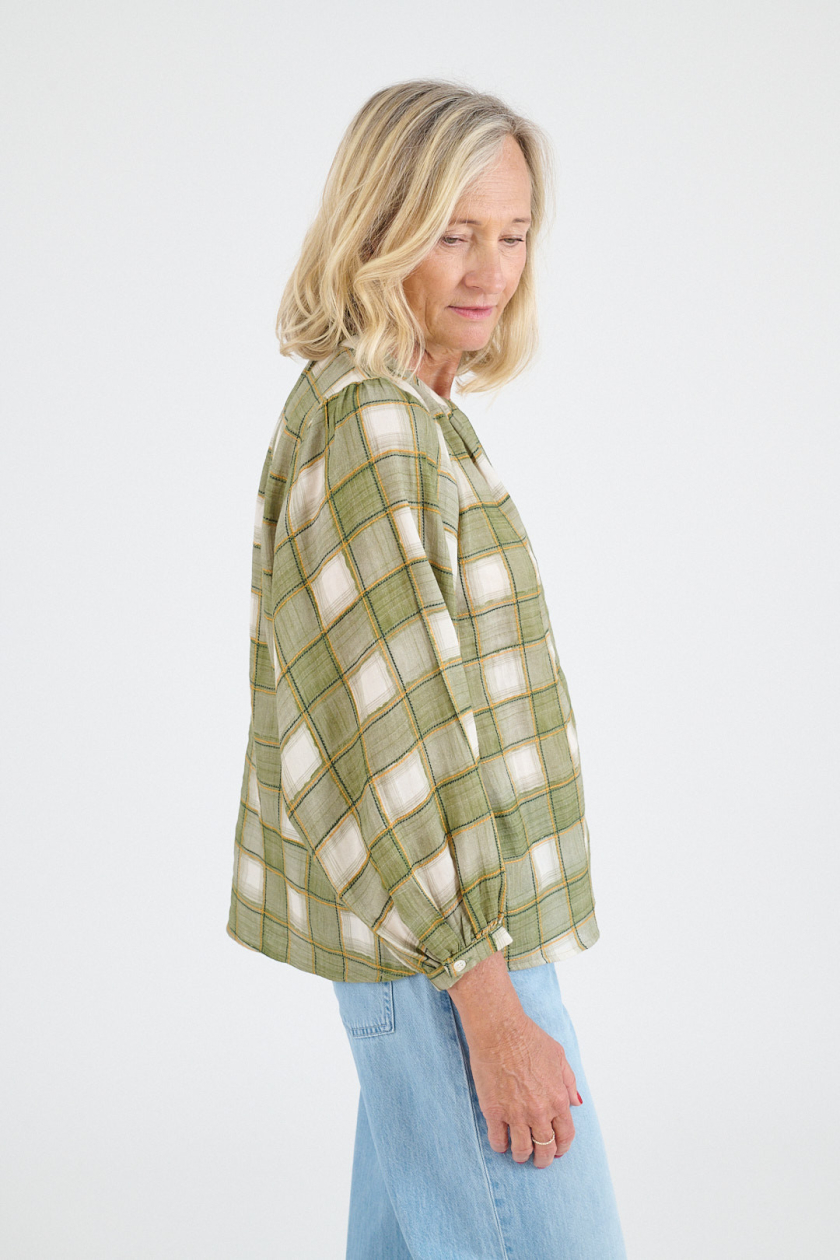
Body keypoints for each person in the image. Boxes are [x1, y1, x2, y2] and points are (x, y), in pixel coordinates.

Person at [227, 79, 626, 1259]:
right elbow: (391, 742)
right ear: (379, 231)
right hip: (454, 959)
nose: (489, 270)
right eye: (453, 233)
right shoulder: (374, 426)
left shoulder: (396, 412)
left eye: (513, 234)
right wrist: (491, 1011)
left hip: (447, 953)